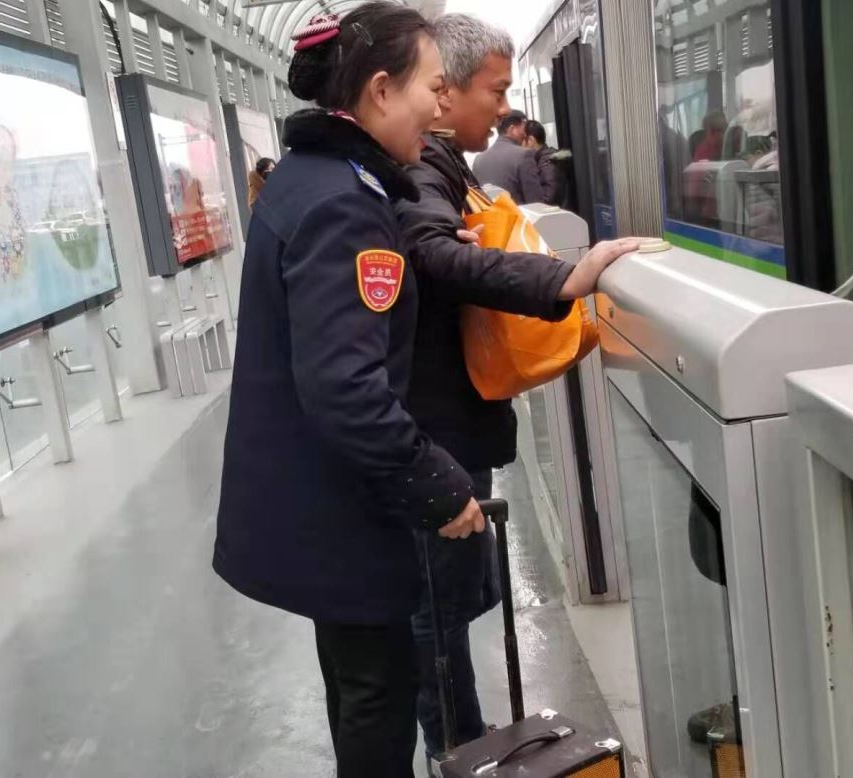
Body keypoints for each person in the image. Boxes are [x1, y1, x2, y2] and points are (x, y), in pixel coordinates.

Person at [214, 6, 635, 776]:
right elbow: (345, 387)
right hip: (343, 510)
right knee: (378, 700)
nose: (440, 107)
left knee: (358, 689)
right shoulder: (345, 205)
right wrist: (439, 485)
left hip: (312, 499)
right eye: (432, 88)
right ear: (381, 90)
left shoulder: (311, 180)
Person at [393, 13, 644, 760]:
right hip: (439, 427)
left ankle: (461, 748)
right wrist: (565, 277)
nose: (505, 108)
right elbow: (433, 253)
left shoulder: (442, 165)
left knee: (448, 606)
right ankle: (460, 753)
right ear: (444, 93)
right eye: (495, 91)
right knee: (436, 615)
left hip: (448, 421)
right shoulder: (425, 166)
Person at [472, 110, 545, 203]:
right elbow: (536, 201)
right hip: (517, 212)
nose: (525, 134)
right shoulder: (524, 155)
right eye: (523, 129)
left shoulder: (478, 160)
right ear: (512, 129)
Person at [523, 119, 572, 208]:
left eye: (520, 141)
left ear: (530, 141)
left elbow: (548, 201)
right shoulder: (542, 160)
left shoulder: (548, 163)